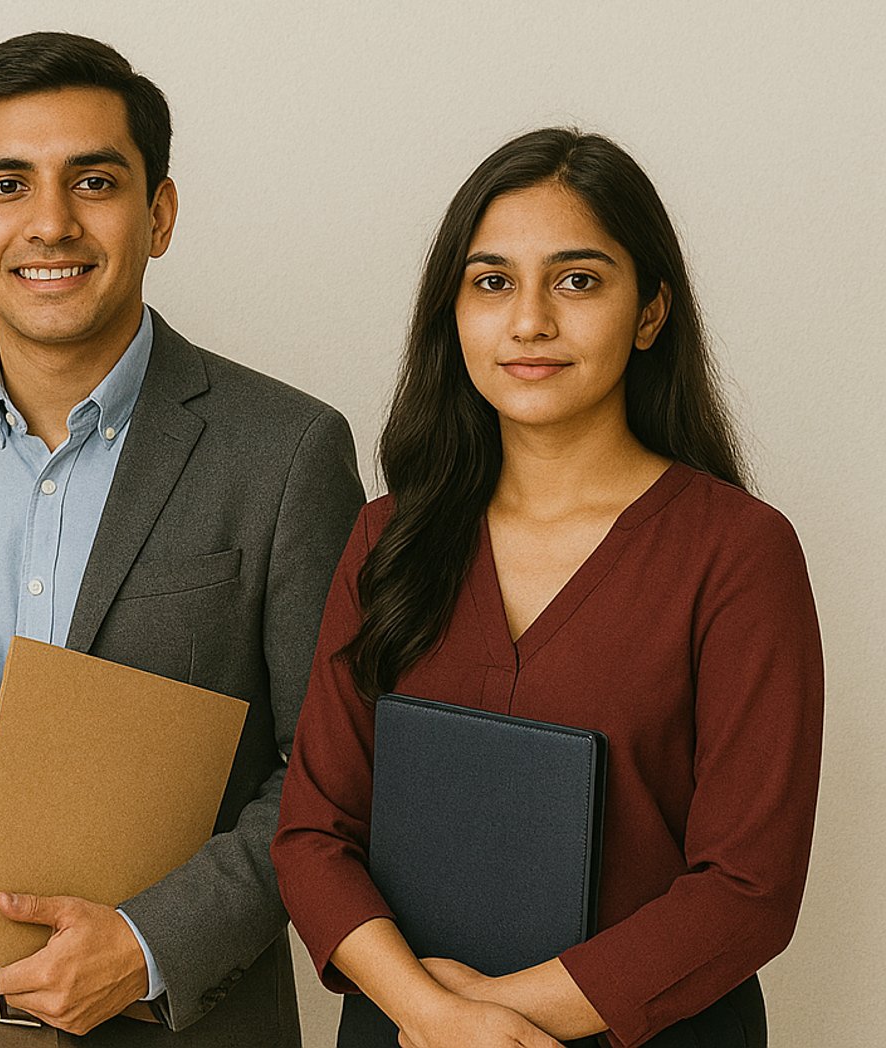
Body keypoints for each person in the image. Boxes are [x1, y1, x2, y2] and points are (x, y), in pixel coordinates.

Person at [0, 31, 365, 1048]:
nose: (50, 222)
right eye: (6, 184)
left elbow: (334, 766)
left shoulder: (289, 451)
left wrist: (147, 940)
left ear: (159, 213)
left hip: (184, 1013)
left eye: (93, 181)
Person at [272, 128, 822, 1048]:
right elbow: (313, 836)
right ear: (453, 312)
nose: (529, 321)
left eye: (577, 280)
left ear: (650, 313)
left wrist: (482, 1021)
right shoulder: (387, 537)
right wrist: (428, 1014)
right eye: (492, 283)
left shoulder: (738, 554)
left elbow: (747, 891)